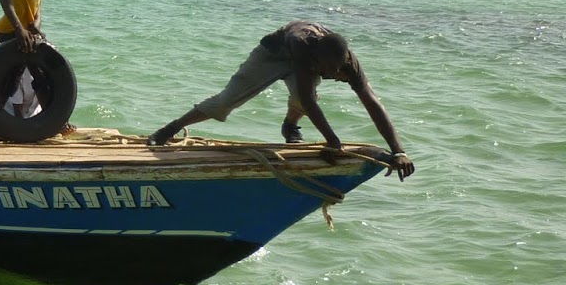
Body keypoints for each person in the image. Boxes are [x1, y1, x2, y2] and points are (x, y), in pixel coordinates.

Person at [146, 21, 416, 179]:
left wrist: (398, 150)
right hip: (272, 55)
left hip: (305, 64)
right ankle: (168, 129)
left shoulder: (349, 64)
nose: (332, 75)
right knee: (226, 101)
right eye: (326, 69)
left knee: (301, 99)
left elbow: (372, 103)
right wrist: (334, 141)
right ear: (316, 57)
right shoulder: (302, 45)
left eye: (336, 71)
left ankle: (290, 126)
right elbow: (310, 101)